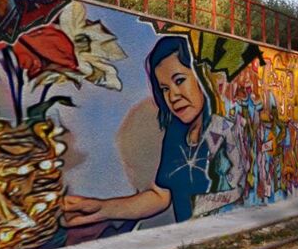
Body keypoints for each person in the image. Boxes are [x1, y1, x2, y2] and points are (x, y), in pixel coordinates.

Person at [62, 36, 244, 226]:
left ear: (203, 77)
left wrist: (199, 208)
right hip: (189, 239)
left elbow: (237, 191)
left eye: (179, 80)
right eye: (164, 88)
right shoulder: (176, 133)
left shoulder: (225, 131)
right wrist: (102, 209)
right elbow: (160, 196)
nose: (172, 96)